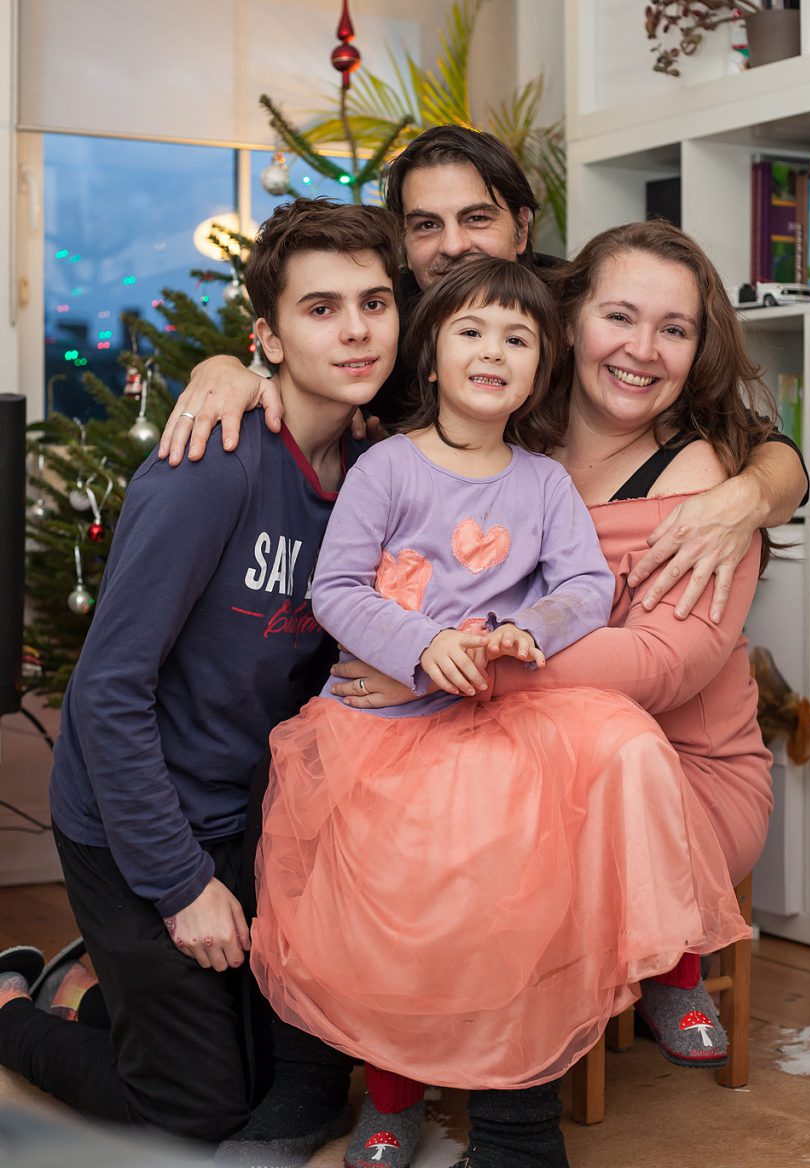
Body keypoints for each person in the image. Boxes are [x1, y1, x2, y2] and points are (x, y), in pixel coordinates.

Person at [250, 253, 755, 1168]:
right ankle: (392, 1097)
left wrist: (520, 631)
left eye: (517, 339)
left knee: (623, 742)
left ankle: (668, 963)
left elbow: (583, 588)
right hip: (386, 729)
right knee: (399, 877)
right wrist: (417, 646)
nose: (492, 352)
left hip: (496, 716)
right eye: (471, 332)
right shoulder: (386, 466)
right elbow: (336, 589)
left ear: (540, 369)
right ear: (430, 356)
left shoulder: (542, 481)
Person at [0, 198, 400, 1148]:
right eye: (320, 308)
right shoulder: (211, 468)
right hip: (133, 818)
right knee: (196, 1112)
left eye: (375, 303)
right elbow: (107, 691)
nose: (354, 330)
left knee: (276, 1075)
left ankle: (102, 993)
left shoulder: (379, 472)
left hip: (249, 816)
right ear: (268, 337)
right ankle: (12, 1005)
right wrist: (180, 886)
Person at [159, 124, 808, 628]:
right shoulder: (391, 321)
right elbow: (301, 352)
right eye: (426, 226)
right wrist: (229, 367)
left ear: (521, 228)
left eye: (476, 218)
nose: (452, 245)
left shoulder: (572, 310)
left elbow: (764, 445)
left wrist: (746, 500)